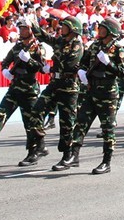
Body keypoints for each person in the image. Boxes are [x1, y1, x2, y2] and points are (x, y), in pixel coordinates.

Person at [0, 20, 44, 157]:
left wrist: (29, 59)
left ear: (30, 30)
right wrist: (5, 71)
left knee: (30, 123)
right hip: (15, 87)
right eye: (20, 28)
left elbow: (41, 68)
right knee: (1, 114)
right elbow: (5, 62)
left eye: (24, 28)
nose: (21, 31)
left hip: (29, 90)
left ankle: (33, 151)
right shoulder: (17, 47)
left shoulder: (37, 47)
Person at [22, 16, 84, 169]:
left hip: (69, 87)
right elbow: (44, 36)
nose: (61, 28)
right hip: (55, 84)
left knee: (66, 123)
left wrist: (53, 66)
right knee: (36, 111)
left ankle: (68, 156)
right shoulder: (60, 41)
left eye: (64, 26)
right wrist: (33, 25)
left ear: (73, 29)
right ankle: (41, 143)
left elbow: (70, 64)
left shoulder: (77, 46)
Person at [67, 17, 124, 174]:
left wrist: (108, 63)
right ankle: (74, 155)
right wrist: (81, 71)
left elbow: (122, 72)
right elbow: (83, 62)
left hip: (108, 94)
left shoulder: (118, 49)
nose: (99, 29)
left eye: (103, 28)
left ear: (110, 31)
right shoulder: (95, 46)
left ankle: (106, 161)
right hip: (92, 91)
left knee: (107, 129)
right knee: (81, 123)